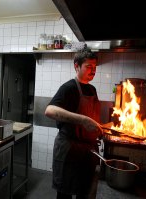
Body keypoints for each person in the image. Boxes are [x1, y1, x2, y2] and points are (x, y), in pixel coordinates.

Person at [45, 47, 103, 199]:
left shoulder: (92, 89)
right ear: (76, 66)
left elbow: (92, 116)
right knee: (65, 193)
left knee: (84, 192)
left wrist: (97, 129)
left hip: (87, 152)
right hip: (69, 149)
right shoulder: (68, 88)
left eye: (95, 67)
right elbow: (49, 110)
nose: (93, 71)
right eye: (89, 67)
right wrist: (82, 120)